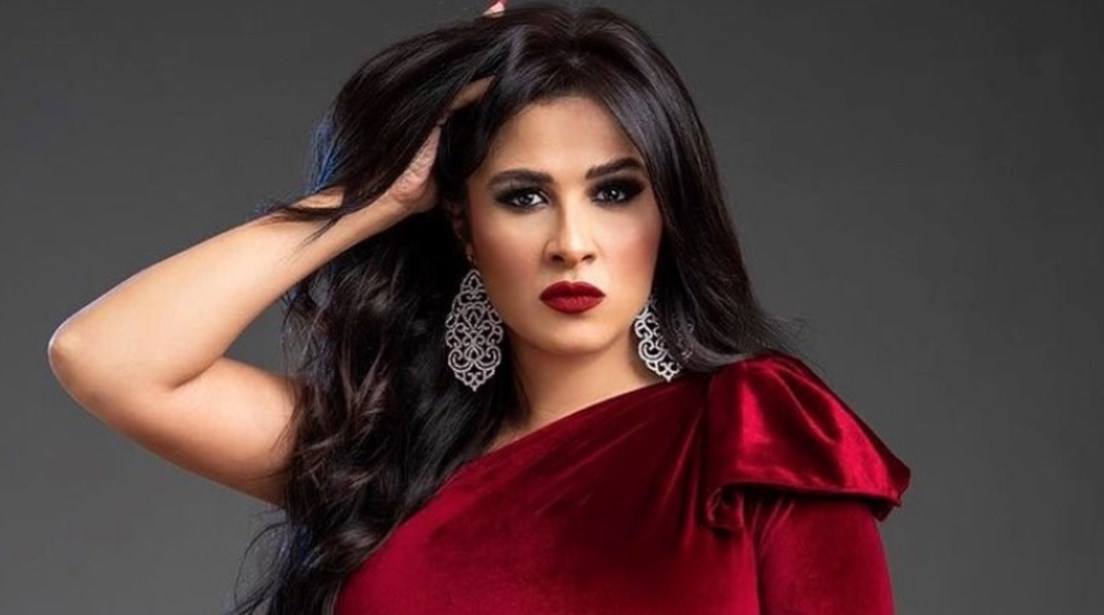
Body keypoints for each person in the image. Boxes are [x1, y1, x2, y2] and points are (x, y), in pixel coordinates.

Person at [47, 1, 912, 613]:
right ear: (463, 226)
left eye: (614, 191)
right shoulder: (384, 458)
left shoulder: (758, 437)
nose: (572, 242)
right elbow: (106, 359)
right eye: (523, 197)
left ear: (668, 213)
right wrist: (372, 194)